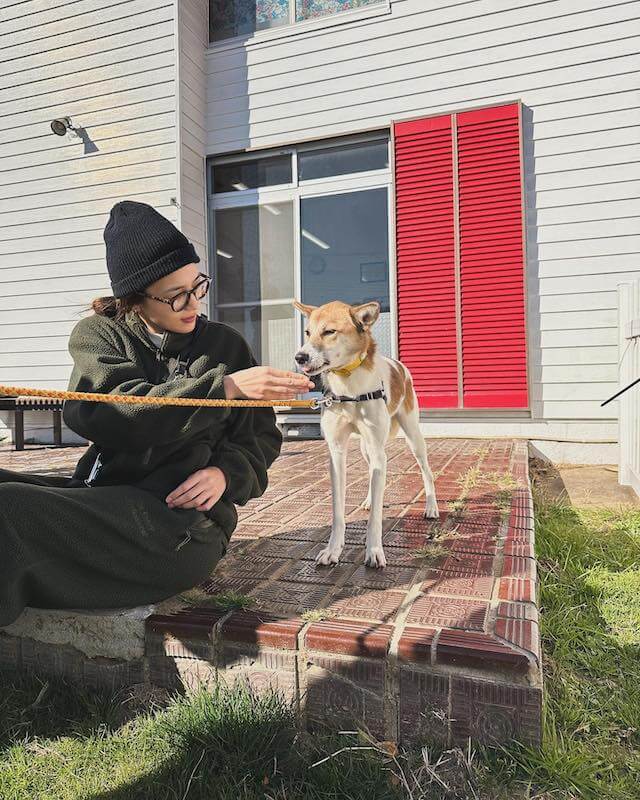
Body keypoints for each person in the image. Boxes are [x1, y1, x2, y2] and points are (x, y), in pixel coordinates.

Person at [0, 200, 314, 628]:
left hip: (182, 527)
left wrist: (225, 473)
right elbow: (105, 412)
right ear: (133, 300)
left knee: (9, 509)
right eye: (175, 295)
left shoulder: (226, 346)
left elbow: (260, 438)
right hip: (105, 500)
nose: (193, 304)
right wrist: (224, 389)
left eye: (197, 285)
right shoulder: (100, 336)